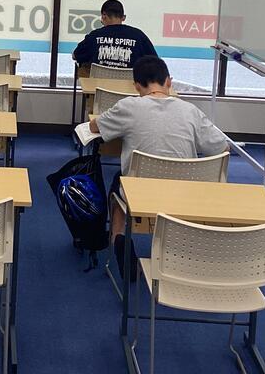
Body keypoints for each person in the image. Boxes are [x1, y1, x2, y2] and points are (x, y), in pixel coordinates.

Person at [88, 55, 229, 263]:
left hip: (139, 194)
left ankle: (118, 236)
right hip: (187, 193)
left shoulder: (128, 107)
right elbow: (222, 148)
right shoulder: (190, 110)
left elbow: (94, 127)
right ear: (169, 82)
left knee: (118, 182)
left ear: (137, 86)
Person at [72, 0, 157, 70]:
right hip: (128, 85)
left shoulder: (94, 36)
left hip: (99, 84)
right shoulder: (138, 36)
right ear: (123, 17)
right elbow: (155, 63)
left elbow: (75, 56)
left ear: (104, 16)